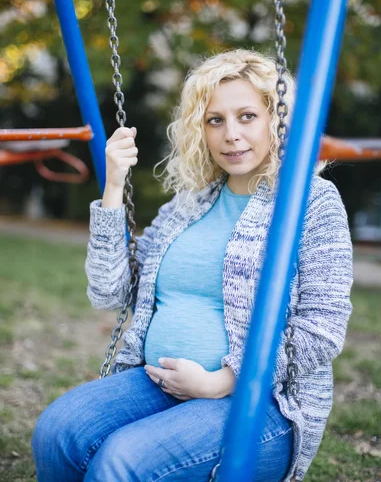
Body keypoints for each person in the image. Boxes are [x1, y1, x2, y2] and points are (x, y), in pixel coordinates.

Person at [31, 49, 353, 482]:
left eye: (247, 116)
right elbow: (109, 291)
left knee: (120, 462)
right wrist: (112, 186)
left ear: (278, 120)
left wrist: (224, 380)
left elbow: (323, 329)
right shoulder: (190, 204)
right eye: (215, 120)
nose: (231, 135)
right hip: (157, 382)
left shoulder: (312, 202)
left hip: (259, 403)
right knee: (56, 432)